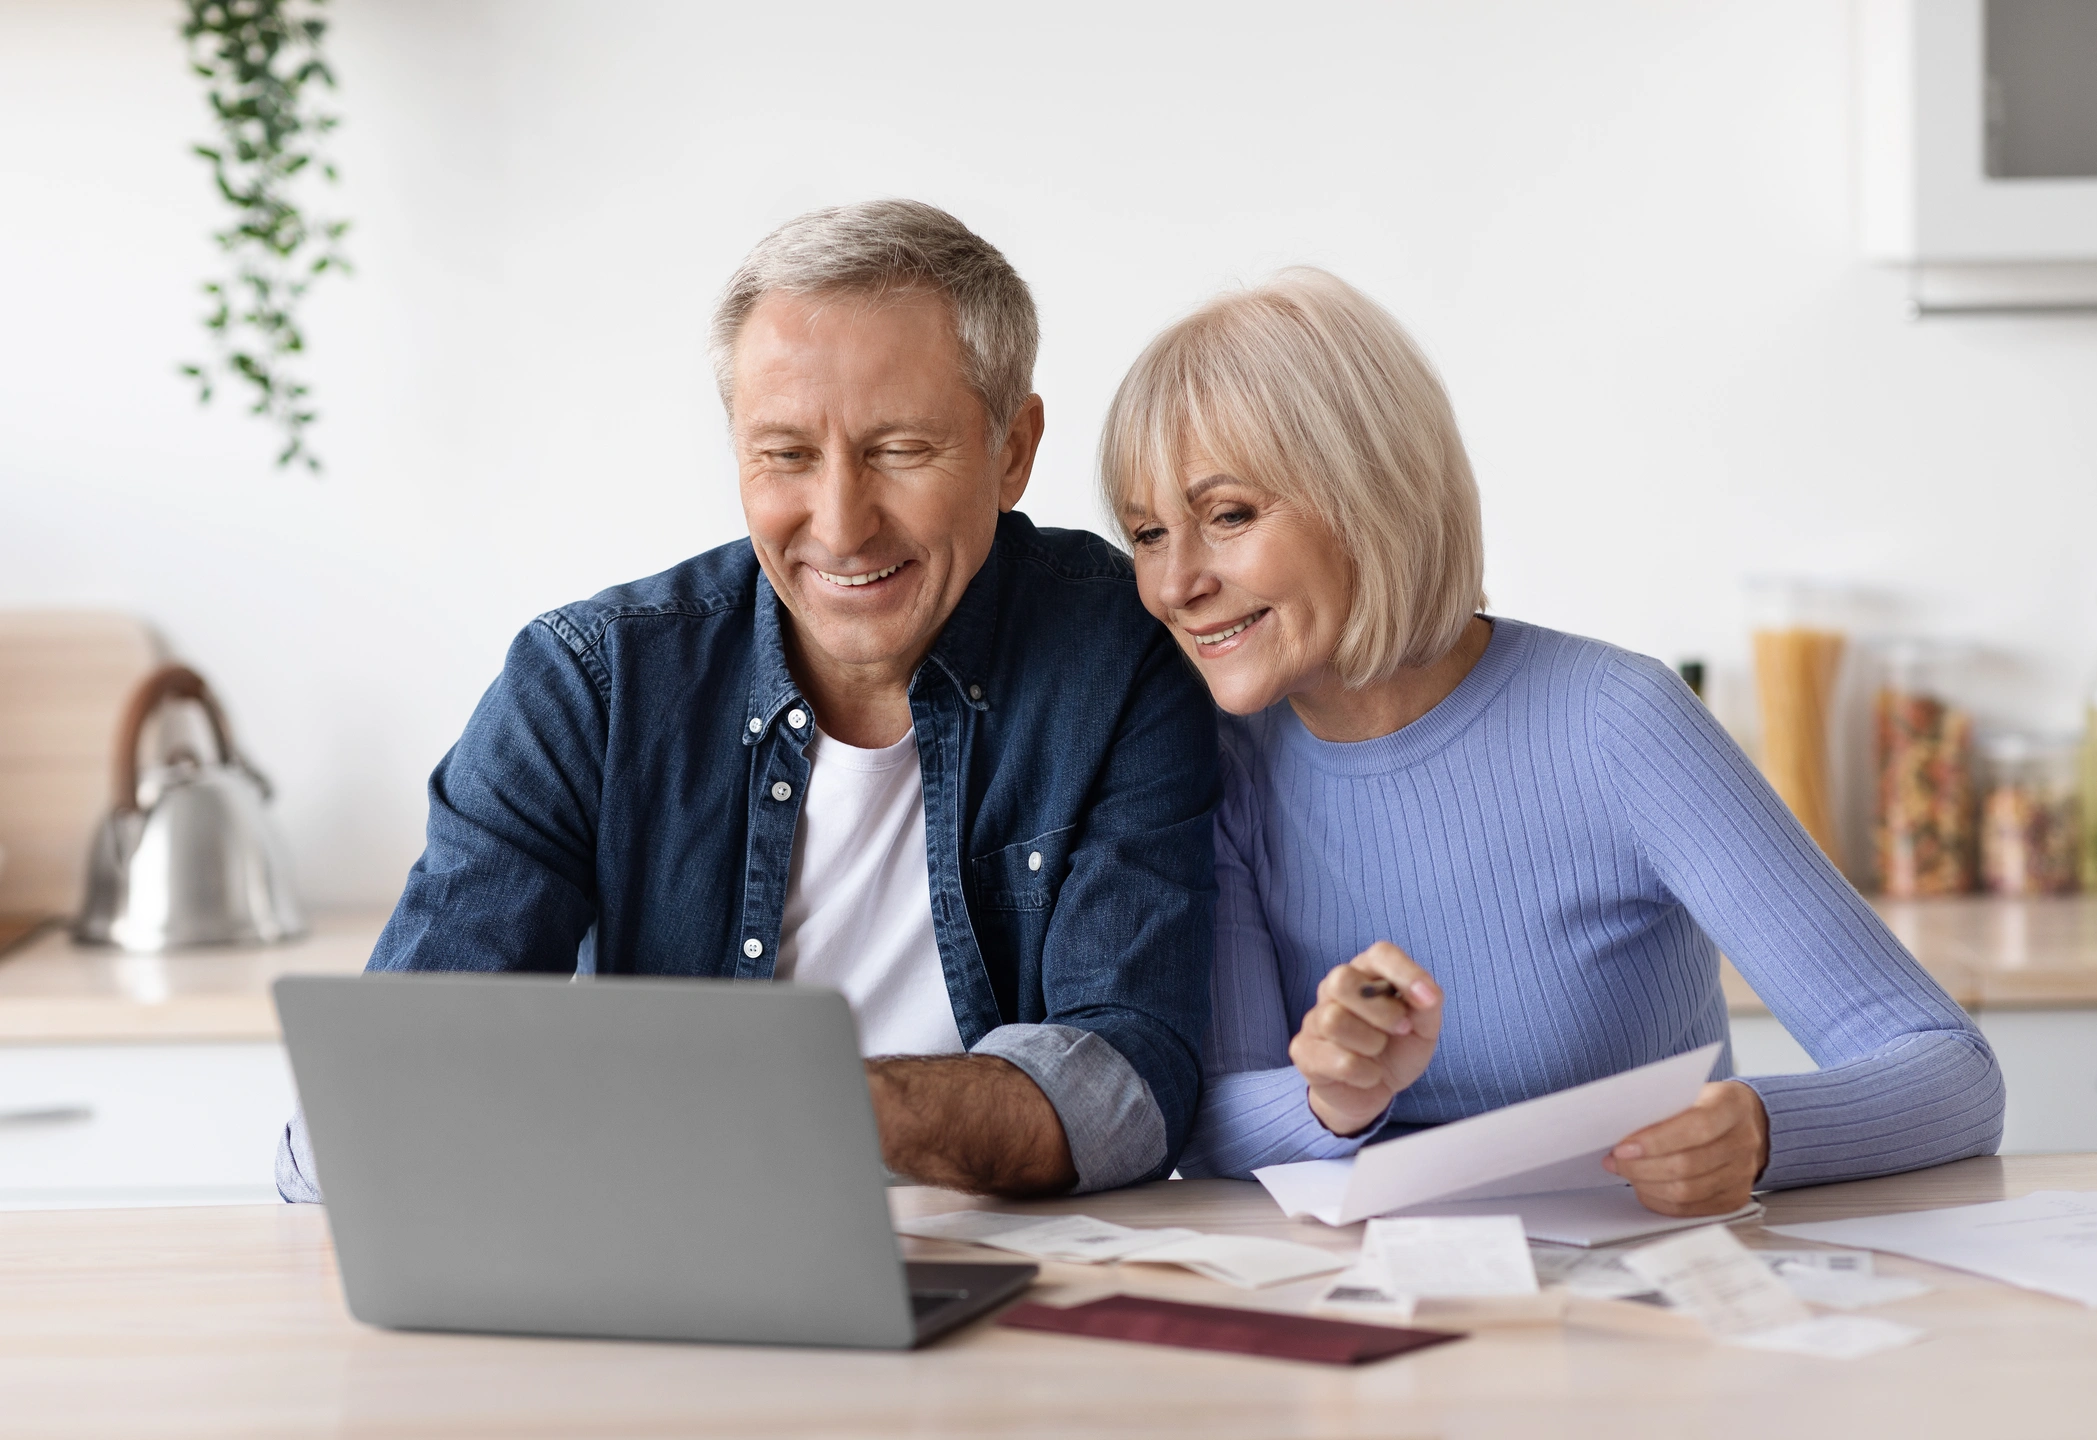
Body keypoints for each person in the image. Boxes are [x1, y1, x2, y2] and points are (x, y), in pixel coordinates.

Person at [277, 201, 1218, 1202]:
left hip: (1013, 1273)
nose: (842, 525)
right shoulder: (589, 685)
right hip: (674, 1257)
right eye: (786, 455)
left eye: (899, 450)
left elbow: (1129, 1084)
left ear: (1013, 450)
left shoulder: (1121, 658)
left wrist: (810, 1102)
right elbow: (359, 1114)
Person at [1101, 268, 2004, 1216]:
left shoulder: (1617, 722)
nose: (1175, 584)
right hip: (1374, 1324)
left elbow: (1953, 1075)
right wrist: (1334, 1099)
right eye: (1150, 533)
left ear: (1370, 493)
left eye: (1229, 515)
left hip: (1639, 1325)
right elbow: (1206, 1129)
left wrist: (1760, 1130)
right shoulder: (1222, 762)